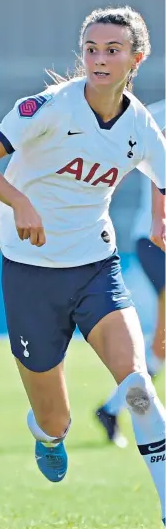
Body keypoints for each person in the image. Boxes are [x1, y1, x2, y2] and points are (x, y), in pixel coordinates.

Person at [0, 6, 166, 524]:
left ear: (135, 59)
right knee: (56, 418)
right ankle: (47, 433)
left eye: (113, 50)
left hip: (96, 267)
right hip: (29, 272)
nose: (100, 59)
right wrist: (20, 202)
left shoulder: (141, 126)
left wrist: (162, 223)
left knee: (138, 386)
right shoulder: (47, 107)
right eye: (92, 49)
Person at [96, 99, 165, 447]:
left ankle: (113, 407)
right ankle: (124, 409)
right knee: (161, 344)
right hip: (158, 239)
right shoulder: (153, 115)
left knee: (161, 350)